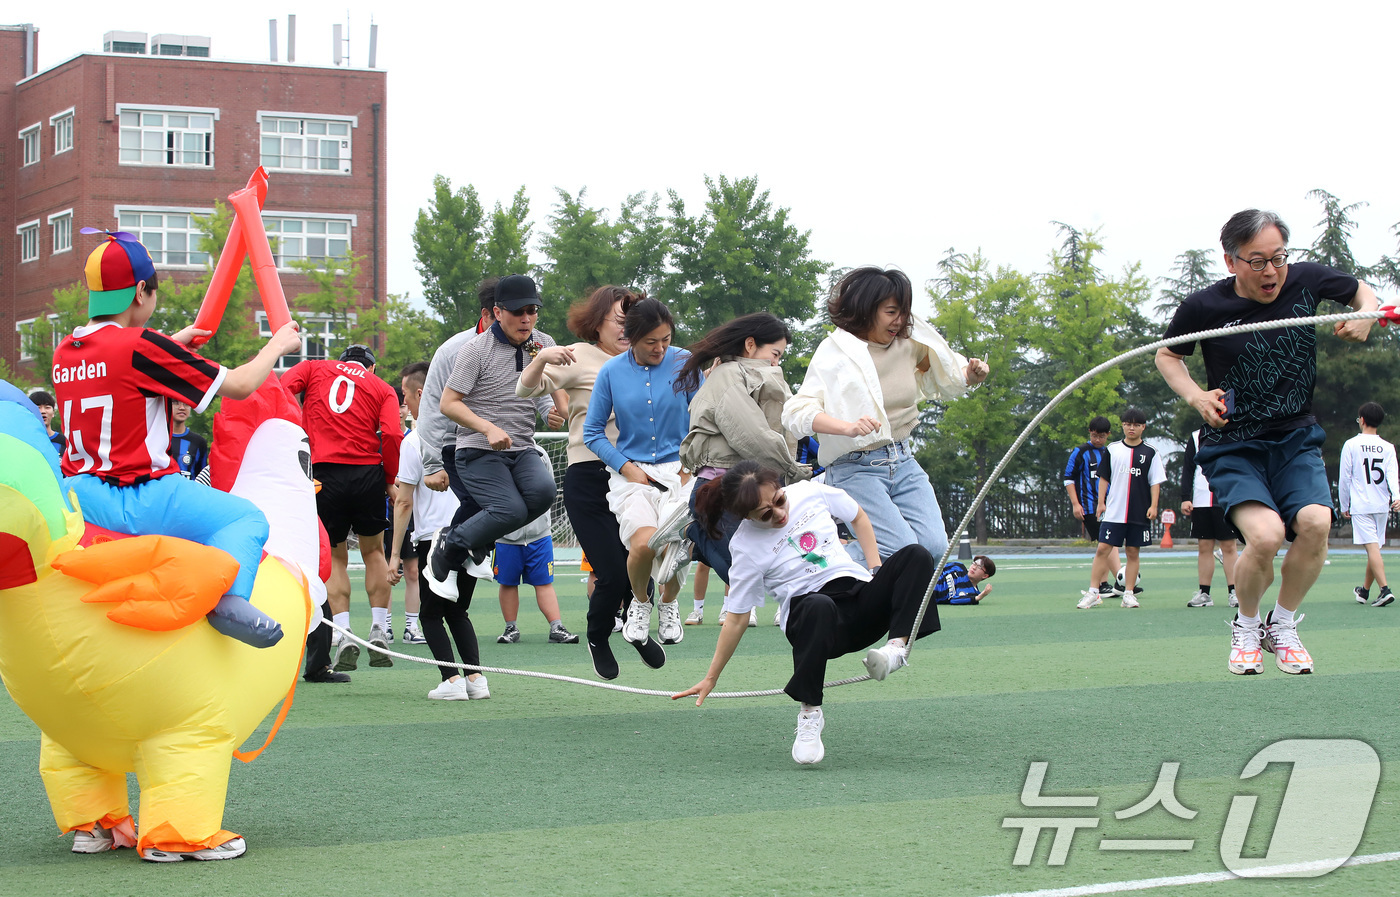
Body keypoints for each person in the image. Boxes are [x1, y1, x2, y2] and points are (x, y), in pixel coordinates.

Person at [1155, 209, 1380, 675]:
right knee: (1267, 535)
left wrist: (1367, 314)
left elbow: (1360, 291)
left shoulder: (1306, 281)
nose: (1272, 272)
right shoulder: (1203, 308)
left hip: (1294, 436)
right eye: (1257, 262)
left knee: (1317, 523)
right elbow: (1167, 355)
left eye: (1278, 258)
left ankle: (1281, 624)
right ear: (1231, 261)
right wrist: (1197, 397)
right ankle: (1246, 624)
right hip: (1234, 443)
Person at [52, 229, 301, 647]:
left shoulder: (66, 349)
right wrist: (276, 347)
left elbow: (116, 370)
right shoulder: (142, 346)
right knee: (246, 518)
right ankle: (230, 601)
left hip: (80, 495)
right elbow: (240, 385)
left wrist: (173, 345)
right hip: (140, 495)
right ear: (140, 292)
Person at [673, 461, 941, 765]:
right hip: (814, 622)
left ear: (780, 488)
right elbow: (736, 619)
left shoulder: (808, 491)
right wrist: (711, 677)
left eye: (779, 501)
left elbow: (858, 516)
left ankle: (895, 650)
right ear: (745, 517)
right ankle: (810, 714)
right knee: (818, 604)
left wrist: (876, 568)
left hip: (859, 597)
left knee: (917, 554)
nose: (779, 514)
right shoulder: (745, 547)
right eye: (765, 515)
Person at [783, 266, 988, 565]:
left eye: (904, 311)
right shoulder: (834, 352)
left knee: (932, 547)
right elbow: (796, 412)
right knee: (901, 550)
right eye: (892, 312)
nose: (900, 320)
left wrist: (968, 374)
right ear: (867, 309)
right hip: (855, 467)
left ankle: (864, 583)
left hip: (902, 460)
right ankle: (815, 565)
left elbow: (943, 370)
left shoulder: (909, 343)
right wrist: (847, 427)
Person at [516, 285, 657, 678]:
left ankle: (639, 629)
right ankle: (598, 637)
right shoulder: (579, 357)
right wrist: (542, 356)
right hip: (591, 477)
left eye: (635, 321)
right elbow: (524, 388)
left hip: (637, 479)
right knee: (611, 572)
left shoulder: (648, 362)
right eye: (619, 320)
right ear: (597, 323)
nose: (628, 329)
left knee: (646, 564)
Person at [424, 275, 560, 606]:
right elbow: (446, 403)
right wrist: (487, 428)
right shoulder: (474, 350)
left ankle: (471, 541)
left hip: (521, 447)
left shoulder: (538, 344)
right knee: (509, 509)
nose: (526, 319)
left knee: (543, 494)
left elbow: (540, 387)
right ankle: (450, 543)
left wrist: (553, 408)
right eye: (518, 312)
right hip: (477, 450)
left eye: (532, 311)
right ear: (497, 313)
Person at [661, 312, 810, 605]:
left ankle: (694, 541)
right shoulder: (729, 375)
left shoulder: (757, 378)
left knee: (756, 571)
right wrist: (793, 471)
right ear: (751, 345)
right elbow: (752, 436)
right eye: (775, 354)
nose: (776, 363)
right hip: (719, 491)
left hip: (748, 488)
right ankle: (693, 533)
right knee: (743, 574)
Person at [583, 298, 698, 653]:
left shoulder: (685, 363)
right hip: (632, 474)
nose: (660, 348)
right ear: (631, 337)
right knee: (645, 545)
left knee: (680, 547)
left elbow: (706, 419)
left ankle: (669, 603)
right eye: (651, 341)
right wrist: (626, 467)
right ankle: (640, 602)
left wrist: (689, 465)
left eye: (665, 339)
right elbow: (592, 432)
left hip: (680, 470)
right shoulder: (611, 372)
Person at [281, 343, 402, 670]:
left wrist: (297, 427)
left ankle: (344, 631)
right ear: (371, 368)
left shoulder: (313, 368)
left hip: (323, 474)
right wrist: (390, 477)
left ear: (341, 361)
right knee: (374, 552)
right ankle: (379, 627)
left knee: (335, 555)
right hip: (366, 474)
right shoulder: (381, 387)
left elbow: (280, 389)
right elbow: (391, 433)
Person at [388, 362, 488, 700]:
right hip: (474, 535)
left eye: (406, 395)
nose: (405, 404)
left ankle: (451, 681)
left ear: (421, 393)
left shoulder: (414, 440)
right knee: (457, 610)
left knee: (430, 615)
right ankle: (475, 678)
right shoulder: (467, 432)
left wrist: (393, 556)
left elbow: (403, 503)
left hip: (436, 539)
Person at [1078, 408, 1163, 609]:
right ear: (1123, 426)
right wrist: (1100, 503)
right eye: (1128, 424)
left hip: (1138, 512)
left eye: (1136, 424)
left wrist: (1153, 505)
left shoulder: (1151, 452)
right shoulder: (1113, 449)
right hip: (1114, 511)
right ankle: (1093, 592)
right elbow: (1104, 478)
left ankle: (1129, 594)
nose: (1131, 428)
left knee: (1133, 552)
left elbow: (1155, 482)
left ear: (1143, 427)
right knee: (1103, 549)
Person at [1339, 402, 1400, 608]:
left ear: (1362, 420)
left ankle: (1384, 590)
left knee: (1372, 548)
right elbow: (1393, 475)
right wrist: (1396, 496)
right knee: (1374, 548)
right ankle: (1364, 591)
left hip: (1362, 505)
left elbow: (1345, 477)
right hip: (1381, 504)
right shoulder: (1388, 447)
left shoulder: (1351, 445)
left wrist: (1343, 503)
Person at [492, 505, 578, 643]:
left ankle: (556, 627)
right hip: (506, 535)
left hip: (540, 534)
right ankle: (511, 627)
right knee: (508, 582)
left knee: (544, 582)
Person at [1182, 426, 1239, 608]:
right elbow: (1188, 468)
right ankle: (1204, 594)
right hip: (1201, 500)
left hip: (1226, 498)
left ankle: (1235, 592)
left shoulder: (1235, 432)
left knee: (1229, 546)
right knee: (1204, 546)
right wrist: (1185, 498)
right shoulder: (1196, 435)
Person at [1064, 416, 1120, 593]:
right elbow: (1068, 478)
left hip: (1109, 505)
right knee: (1106, 542)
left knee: (1108, 543)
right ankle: (1122, 581)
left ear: (1108, 435)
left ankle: (1105, 584)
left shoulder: (1110, 452)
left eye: (1102, 436)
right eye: (1095, 436)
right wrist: (1075, 504)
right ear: (1090, 432)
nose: (1098, 440)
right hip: (1089, 507)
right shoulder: (1080, 452)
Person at [167, 400, 209, 480]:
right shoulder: (156, 438)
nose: (182, 407)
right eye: (176, 403)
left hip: (188, 492)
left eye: (186, 404)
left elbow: (201, 477)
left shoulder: (199, 442)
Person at [28, 390, 65, 456]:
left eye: (47, 407)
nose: (43, 411)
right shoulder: (26, 442)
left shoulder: (64, 442)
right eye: (38, 408)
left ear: (53, 412)